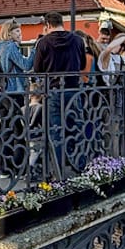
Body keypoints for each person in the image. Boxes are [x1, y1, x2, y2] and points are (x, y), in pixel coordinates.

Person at [32, 11, 88, 178]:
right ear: (61, 23)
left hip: (53, 90)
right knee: (76, 128)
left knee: (55, 131)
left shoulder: (43, 42)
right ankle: (80, 166)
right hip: (73, 90)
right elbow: (83, 63)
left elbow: (37, 69)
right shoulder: (77, 40)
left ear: (48, 25)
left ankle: (57, 171)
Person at [0, 20, 32, 97]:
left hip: (2, 88)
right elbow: (26, 65)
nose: (20, 34)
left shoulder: (0, 46)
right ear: (9, 33)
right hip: (14, 89)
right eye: (17, 31)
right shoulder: (11, 47)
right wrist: (34, 51)